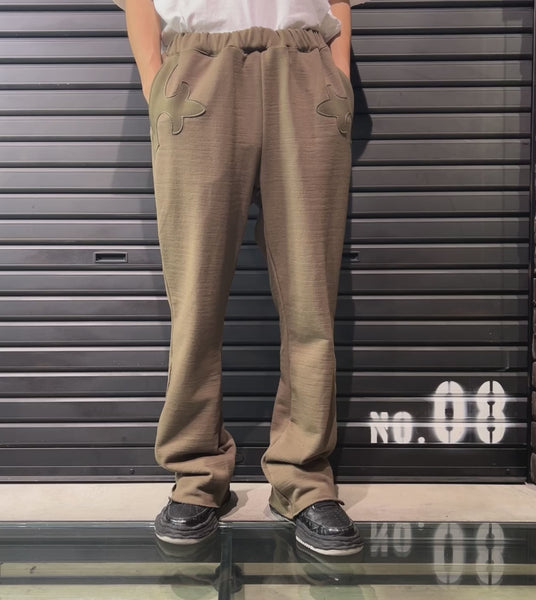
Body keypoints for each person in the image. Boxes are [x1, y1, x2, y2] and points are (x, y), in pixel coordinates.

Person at [113, 0, 366, 556]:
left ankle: (304, 478)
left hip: (306, 71)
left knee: (310, 298)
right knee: (195, 297)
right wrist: (157, 81)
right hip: (197, 74)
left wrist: (336, 76)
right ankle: (196, 476)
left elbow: (339, 2)